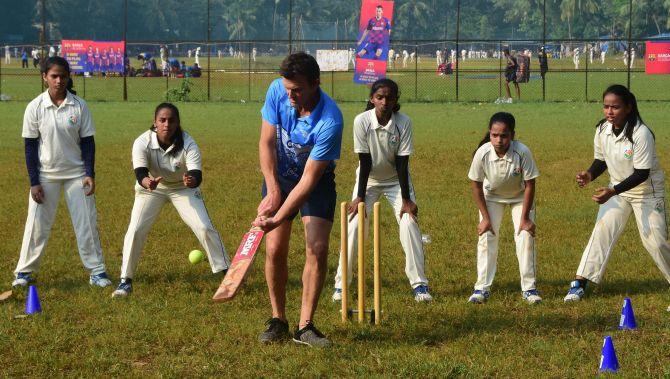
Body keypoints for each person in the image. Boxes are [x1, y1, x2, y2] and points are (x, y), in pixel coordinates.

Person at [253, 52, 343, 347]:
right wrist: (273, 188)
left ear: (316, 83)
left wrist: (279, 216)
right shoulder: (277, 90)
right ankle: (278, 320)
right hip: (280, 176)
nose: (290, 95)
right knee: (275, 249)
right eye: (287, 88)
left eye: (298, 90)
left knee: (317, 247)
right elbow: (266, 142)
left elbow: (308, 181)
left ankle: (305, 327)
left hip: (313, 182)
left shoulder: (330, 120)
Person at [12, 56, 112, 289]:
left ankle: (97, 271)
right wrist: (34, 182)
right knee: (36, 225)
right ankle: (25, 272)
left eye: (63, 76)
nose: (59, 81)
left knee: (86, 223)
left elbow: (88, 142)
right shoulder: (35, 107)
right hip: (45, 175)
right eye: (54, 76)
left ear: (69, 78)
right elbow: (29, 146)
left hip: (76, 174)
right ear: (44, 77)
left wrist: (90, 174)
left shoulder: (79, 106)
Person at [563, 85, 670, 302]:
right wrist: (590, 174)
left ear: (628, 108)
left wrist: (612, 191)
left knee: (656, 242)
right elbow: (602, 160)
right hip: (618, 190)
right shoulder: (602, 129)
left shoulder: (641, 134)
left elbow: (641, 174)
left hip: (646, 193)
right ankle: (579, 283)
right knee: (602, 231)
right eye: (606, 107)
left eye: (615, 107)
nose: (609, 112)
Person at [111, 103, 230, 297]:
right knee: (135, 229)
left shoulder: (188, 143)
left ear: (178, 123)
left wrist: (191, 180)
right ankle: (125, 281)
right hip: (151, 189)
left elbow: (196, 174)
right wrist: (147, 181)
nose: (167, 124)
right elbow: (140, 172)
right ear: (155, 122)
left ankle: (228, 274)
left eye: (171, 120)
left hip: (183, 188)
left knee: (204, 227)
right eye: (162, 120)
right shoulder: (142, 142)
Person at [332, 78, 432, 303]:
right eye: (379, 97)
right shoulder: (361, 121)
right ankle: (341, 285)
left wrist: (406, 201)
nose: (384, 102)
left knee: (409, 223)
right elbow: (364, 161)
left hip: (397, 181)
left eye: (389, 97)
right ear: (372, 99)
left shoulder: (404, 122)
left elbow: (403, 163)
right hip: (368, 181)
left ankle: (419, 285)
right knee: (355, 225)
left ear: (396, 100)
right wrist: (359, 197)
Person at [467, 112, 541, 304]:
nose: (499, 140)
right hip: (491, 197)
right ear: (490, 134)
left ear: (512, 135)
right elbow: (476, 185)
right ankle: (481, 288)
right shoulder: (483, 153)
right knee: (486, 236)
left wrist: (525, 219)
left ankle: (529, 289)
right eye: (494, 135)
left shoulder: (522, 152)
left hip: (519, 198)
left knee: (525, 237)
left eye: (504, 135)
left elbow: (530, 185)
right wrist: (485, 218)